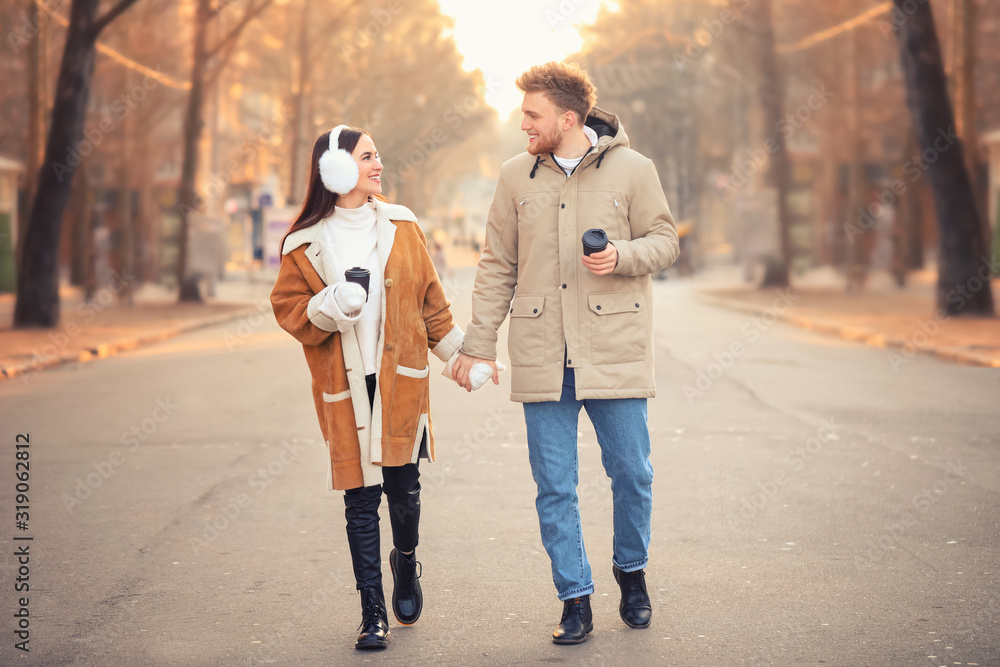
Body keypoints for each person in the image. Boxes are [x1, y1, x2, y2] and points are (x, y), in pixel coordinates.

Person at [452, 62, 679, 644]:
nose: (522, 124)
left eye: (532, 115)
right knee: (554, 485)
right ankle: (574, 598)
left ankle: (631, 572)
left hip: (615, 349)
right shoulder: (514, 177)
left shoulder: (634, 169)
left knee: (633, 474)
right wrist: (477, 346)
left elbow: (665, 239)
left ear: (568, 118)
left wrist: (621, 256)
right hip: (540, 350)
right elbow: (497, 264)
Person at [270, 125, 464, 651]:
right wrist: (335, 303)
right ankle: (371, 612)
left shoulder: (403, 226)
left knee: (404, 491)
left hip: (401, 382)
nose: (379, 165)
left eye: (377, 154)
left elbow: (431, 304)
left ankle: (406, 561)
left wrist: (461, 358)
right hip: (345, 387)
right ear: (335, 170)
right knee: (360, 499)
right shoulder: (305, 244)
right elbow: (290, 312)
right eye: (368, 156)